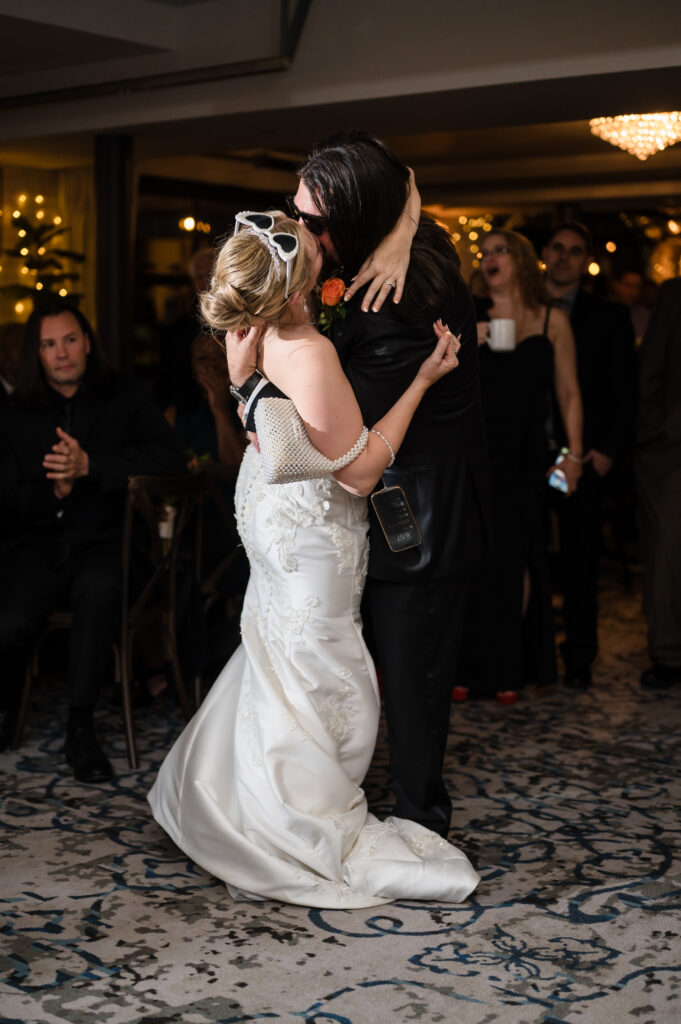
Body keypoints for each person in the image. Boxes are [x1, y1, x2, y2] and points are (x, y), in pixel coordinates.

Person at [149, 212, 481, 908]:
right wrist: (419, 382)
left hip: (268, 509)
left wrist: (404, 210)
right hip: (311, 531)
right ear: (304, 287)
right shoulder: (310, 352)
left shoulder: (251, 337)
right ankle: (292, 817)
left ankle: (245, 798)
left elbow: (268, 423)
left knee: (279, 647)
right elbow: (356, 475)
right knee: (318, 662)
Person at [225, 131, 492, 841]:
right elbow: (401, 177)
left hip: (415, 517)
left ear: (353, 218)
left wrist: (249, 384)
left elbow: (338, 449)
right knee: (352, 671)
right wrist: (404, 227)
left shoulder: (393, 303)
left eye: (313, 223)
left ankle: (419, 827)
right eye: (296, 212)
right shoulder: (392, 235)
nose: (298, 231)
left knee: (413, 684)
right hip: (371, 504)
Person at [0, 298, 187, 779]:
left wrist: (93, 468)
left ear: (86, 342)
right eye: (48, 344)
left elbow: (169, 461)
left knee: (101, 591)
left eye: (69, 339)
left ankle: (80, 730)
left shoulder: (127, 395)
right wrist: (54, 491)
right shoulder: (15, 411)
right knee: (13, 616)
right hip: (37, 543)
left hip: (106, 540)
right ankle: (4, 711)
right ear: (35, 355)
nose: (61, 352)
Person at [463, 228, 578, 697]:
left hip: (528, 457)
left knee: (517, 559)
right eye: (485, 252)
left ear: (522, 261)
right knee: (473, 558)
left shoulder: (551, 318)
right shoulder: (467, 313)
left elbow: (569, 393)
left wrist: (572, 455)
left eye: (501, 251)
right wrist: (472, 338)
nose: (490, 259)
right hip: (476, 451)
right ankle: (468, 668)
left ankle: (508, 668)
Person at [542, 222, 637, 690]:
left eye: (575, 252)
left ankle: (579, 659)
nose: (565, 257)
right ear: (544, 254)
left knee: (580, 560)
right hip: (531, 460)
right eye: (558, 249)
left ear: (585, 262)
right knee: (531, 558)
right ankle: (533, 658)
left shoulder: (609, 316)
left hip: (580, 459)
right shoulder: (520, 309)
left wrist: (606, 453)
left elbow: (627, 391)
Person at [636, 277, 681, 690]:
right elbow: (650, 368)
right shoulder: (674, 294)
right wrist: (655, 435)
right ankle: (668, 654)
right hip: (672, 450)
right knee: (668, 550)